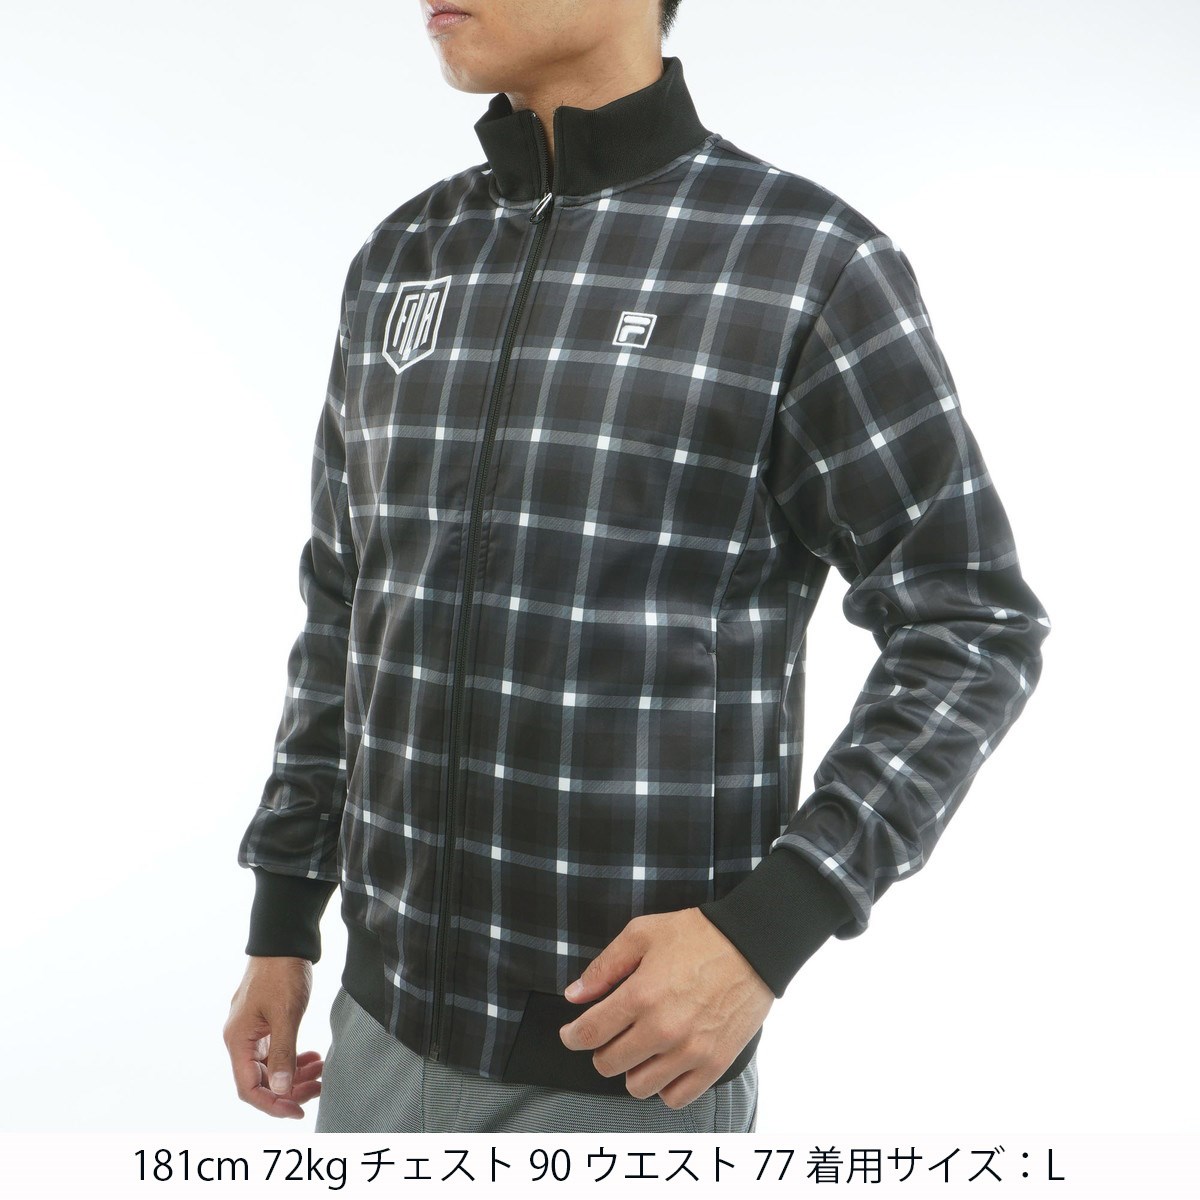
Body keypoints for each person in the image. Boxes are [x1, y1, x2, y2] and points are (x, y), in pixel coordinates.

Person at [223, 0, 1051, 1135]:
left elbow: (971, 627)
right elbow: (344, 601)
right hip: (374, 1033)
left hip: (627, 1060)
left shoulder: (802, 263)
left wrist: (771, 928)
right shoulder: (403, 259)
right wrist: (282, 920)